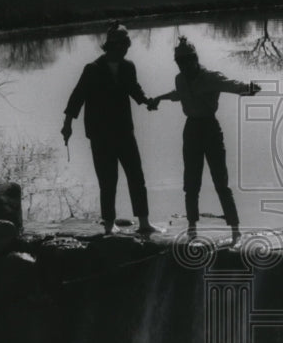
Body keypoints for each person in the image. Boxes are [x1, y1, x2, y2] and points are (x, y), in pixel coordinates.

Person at [148, 37, 261, 242]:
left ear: (195, 59)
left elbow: (231, 85)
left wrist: (249, 89)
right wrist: (159, 98)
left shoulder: (210, 77)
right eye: (180, 63)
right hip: (191, 129)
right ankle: (192, 228)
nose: (184, 66)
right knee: (191, 183)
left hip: (210, 128)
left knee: (221, 182)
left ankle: (235, 230)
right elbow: (178, 94)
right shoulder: (180, 79)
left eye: (187, 61)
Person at [62, 22, 157, 236]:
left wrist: (147, 101)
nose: (124, 50)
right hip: (100, 135)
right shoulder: (93, 69)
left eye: (126, 46)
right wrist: (67, 125)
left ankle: (144, 223)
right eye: (121, 46)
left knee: (136, 177)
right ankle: (108, 224)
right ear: (111, 46)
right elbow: (76, 98)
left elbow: (134, 89)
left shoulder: (128, 67)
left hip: (125, 132)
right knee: (108, 180)